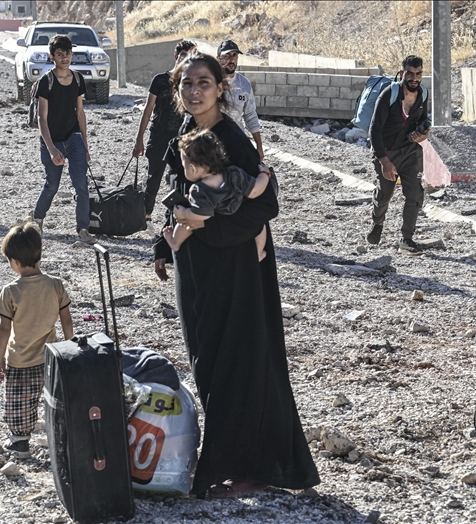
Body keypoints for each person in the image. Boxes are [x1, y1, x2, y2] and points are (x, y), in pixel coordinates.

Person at [154, 52, 319, 498]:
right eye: (186, 84)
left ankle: (247, 467)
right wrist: (162, 246)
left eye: (203, 83)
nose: (194, 91)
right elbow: (178, 194)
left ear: (220, 88)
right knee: (209, 366)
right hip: (199, 273)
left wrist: (208, 227)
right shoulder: (187, 133)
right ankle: (232, 459)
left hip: (237, 272)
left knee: (240, 367)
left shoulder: (231, 137)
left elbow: (267, 205)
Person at [0, 222, 73, 458]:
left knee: (19, 404)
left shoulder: (10, 291)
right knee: (53, 400)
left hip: (20, 360)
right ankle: (61, 440)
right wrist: (70, 349)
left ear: (15, 262)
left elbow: (4, 328)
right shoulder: (55, 285)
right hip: (51, 357)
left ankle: (20, 443)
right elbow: (67, 321)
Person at [162, 128, 271, 261]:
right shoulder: (234, 174)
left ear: (193, 168)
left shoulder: (199, 189)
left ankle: (175, 242)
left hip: (219, 231)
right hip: (240, 224)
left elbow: (202, 215)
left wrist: (183, 212)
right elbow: (255, 190)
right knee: (260, 225)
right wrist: (264, 174)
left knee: (187, 223)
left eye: (185, 166)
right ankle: (259, 252)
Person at [31, 35, 96, 245]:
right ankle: (37, 218)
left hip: (73, 137)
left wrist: (85, 144)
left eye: (67, 53)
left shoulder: (77, 79)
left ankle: (83, 229)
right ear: (52, 57)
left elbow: (80, 112)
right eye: (60, 54)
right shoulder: (46, 81)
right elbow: (42, 117)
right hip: (52, 139)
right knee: (52, 185)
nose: (65, 58)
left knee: (81, 185)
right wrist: (51, 149)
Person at [366, 55, 431, 255]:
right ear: (402, 73)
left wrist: (423, 134)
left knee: (415, 194)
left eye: (418, 74)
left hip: (410, 152)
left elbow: (424, 121)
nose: (414, 78)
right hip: (386, 152)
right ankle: (377, 223)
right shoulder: (389, 94)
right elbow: (374, 130)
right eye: (410, 73)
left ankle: (407, 239)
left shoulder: (423, 94)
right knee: (385, 193)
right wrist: (384, 161)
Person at [133, 38, 197, 230]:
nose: (187, 60)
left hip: (181, 138)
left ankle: (174, 219)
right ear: (176, 56)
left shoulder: (189, 83)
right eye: (184, 55)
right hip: (159, 135)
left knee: (180, 180)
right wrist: (139, 140)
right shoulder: (160, 80)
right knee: (154, 178)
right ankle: (146, 216)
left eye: (191, 57)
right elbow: (147, 110)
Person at [217, 39, 264, 162]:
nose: (231, 60)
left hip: (237, 142)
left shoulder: (244, 84)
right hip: (213, 143)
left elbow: (250, 116)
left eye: (234, 55)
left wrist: (259, 146)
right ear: (218, 58)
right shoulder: (210, 82)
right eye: (227, 55)